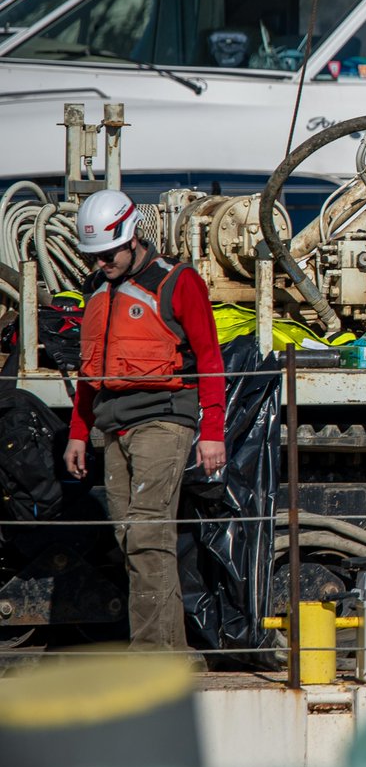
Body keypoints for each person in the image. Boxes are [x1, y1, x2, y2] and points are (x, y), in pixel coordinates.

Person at [64, 189, 227, 651]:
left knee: (146, 532)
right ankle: (172, 653)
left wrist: (211, 431)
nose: (102, 263)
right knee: (132, 538)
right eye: (94, 256)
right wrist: (80, 432)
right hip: (114, 426)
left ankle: (153, 657)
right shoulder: (96, 288)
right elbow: (90, 368)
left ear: (131, 237)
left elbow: (211, 358)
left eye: (108, 253)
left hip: (164, 420)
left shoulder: (177, 282)